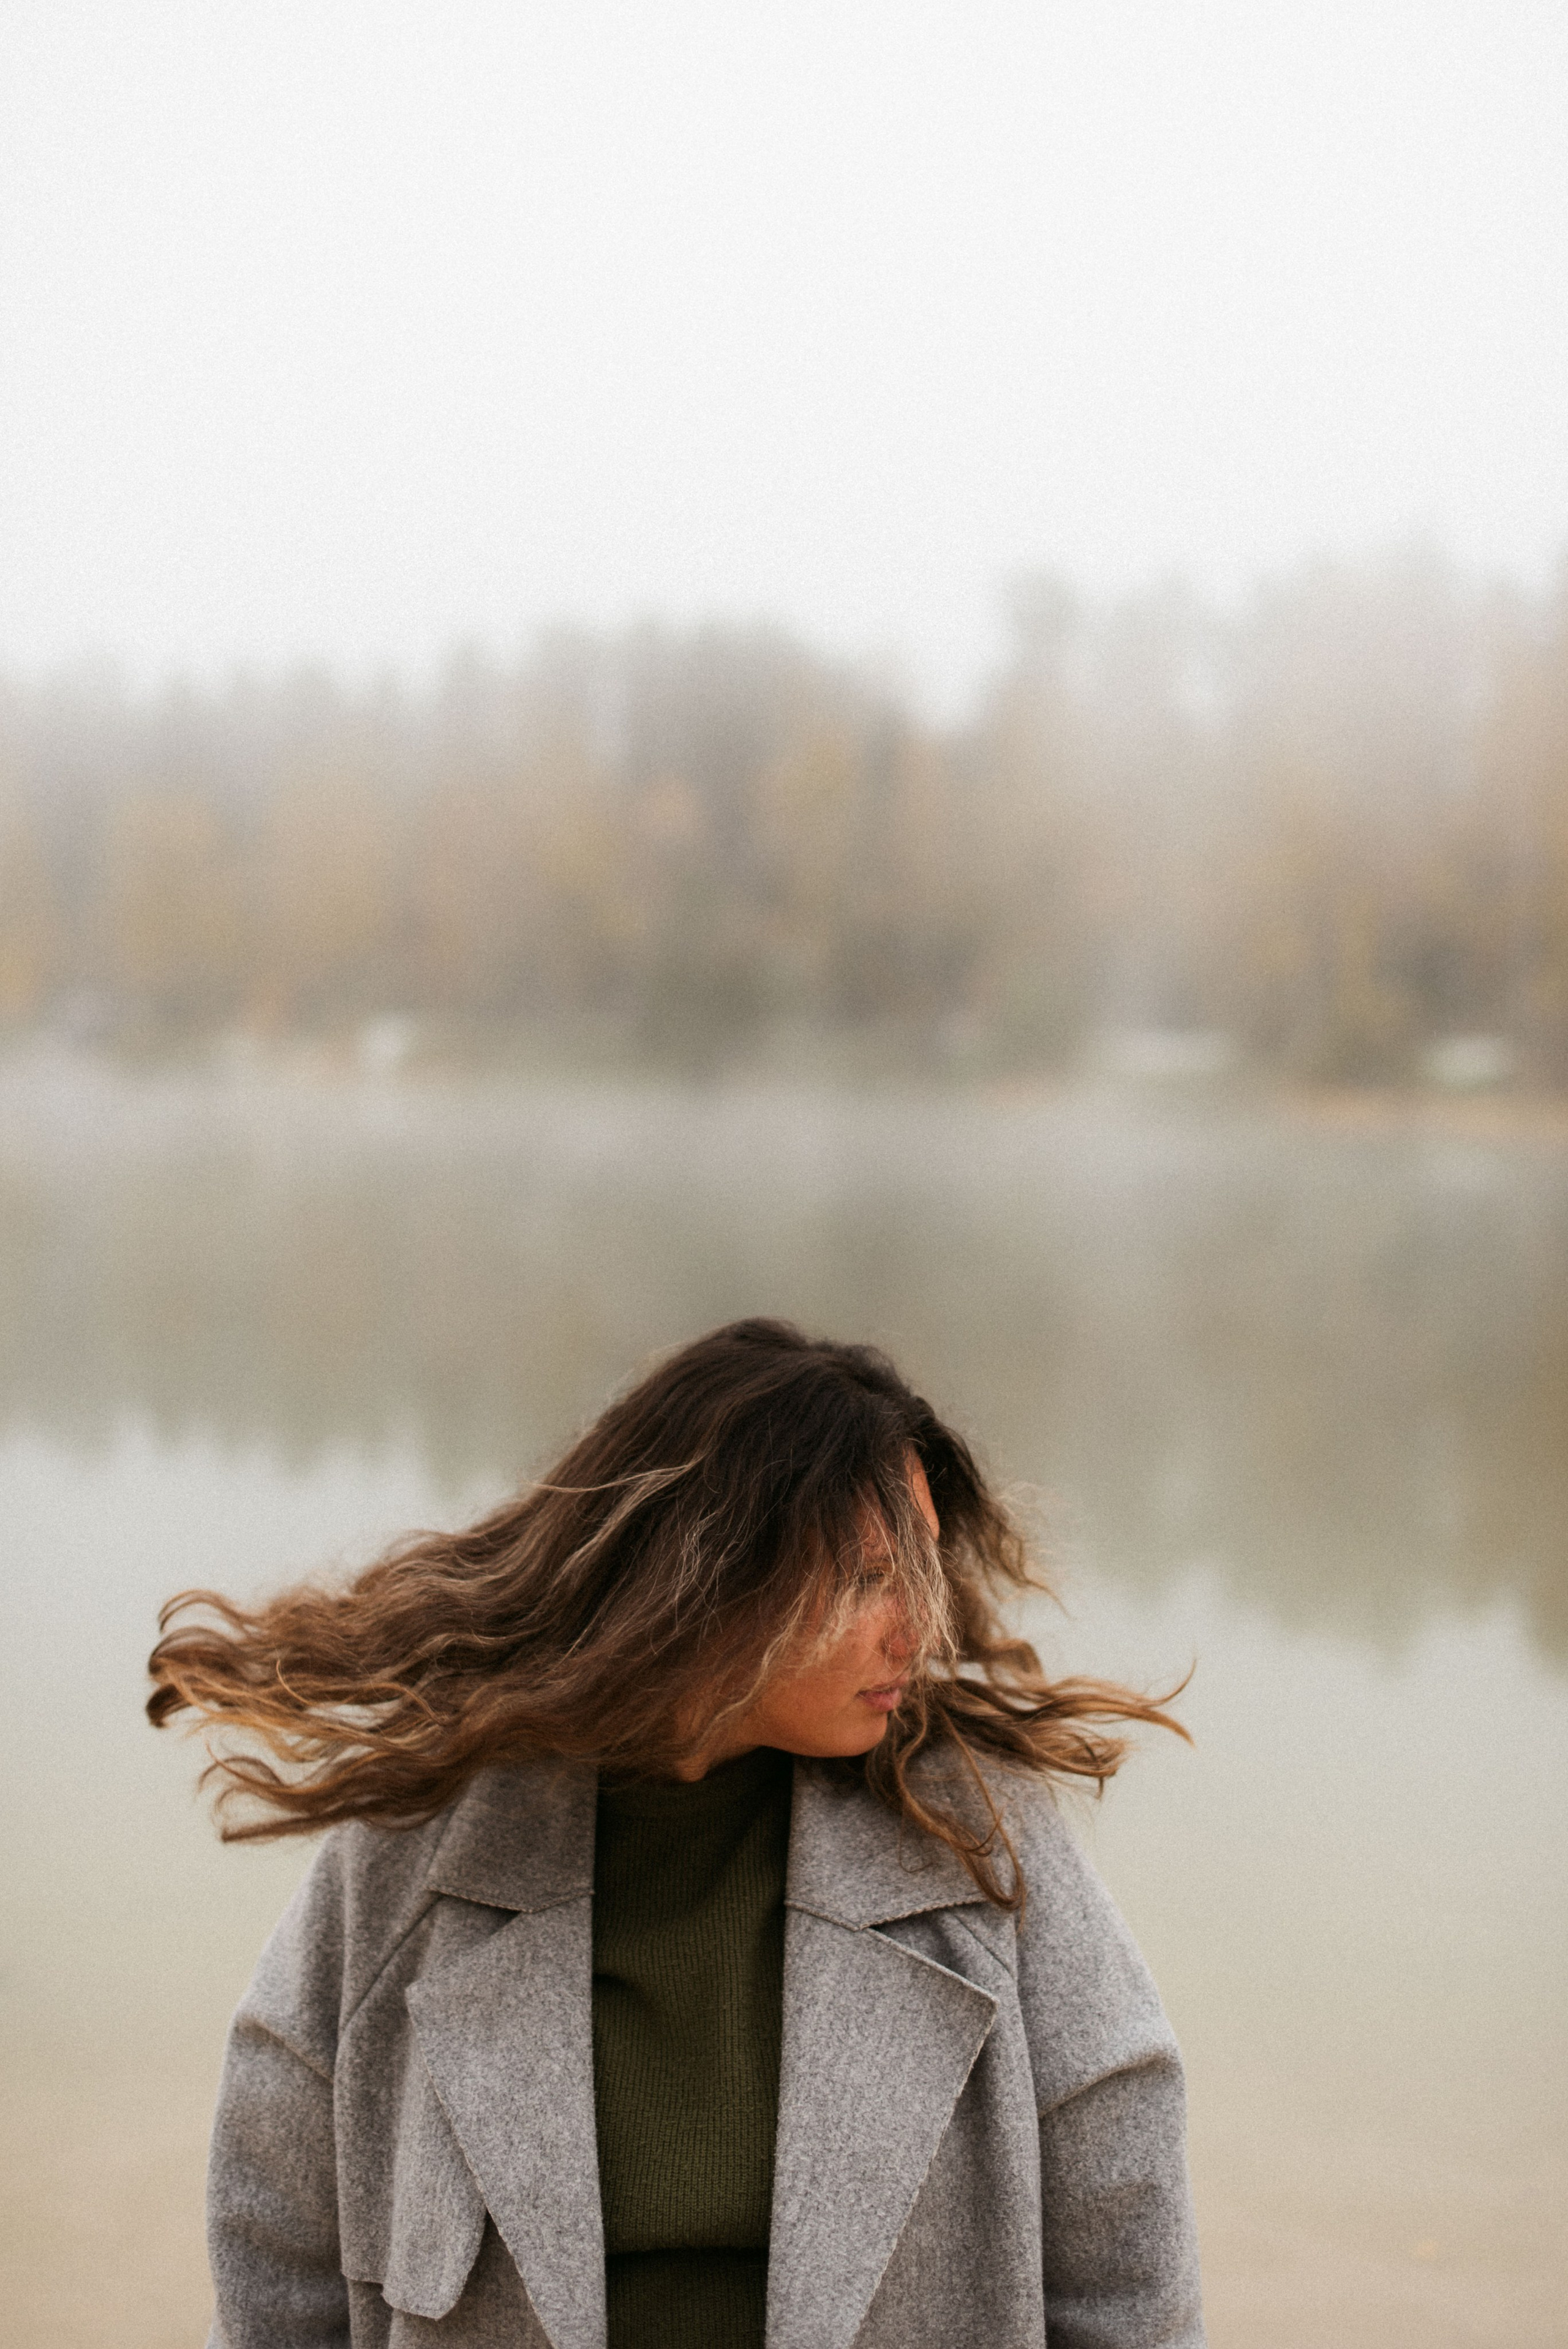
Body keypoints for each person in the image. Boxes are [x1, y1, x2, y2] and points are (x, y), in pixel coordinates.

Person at [149, 1317, 1205, 2349]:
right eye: (874, 1578)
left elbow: (1126, 2252)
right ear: (718, 1577)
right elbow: (274, 2257)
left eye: (922, 1572)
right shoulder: (416, 1850)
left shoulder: (982, 1837)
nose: (920, 1630)